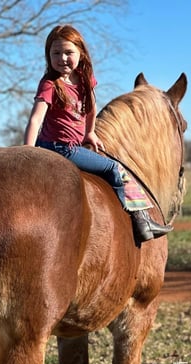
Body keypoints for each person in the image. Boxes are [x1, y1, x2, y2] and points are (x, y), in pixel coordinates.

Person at [24, 24, 172, 243]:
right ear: (48, 55)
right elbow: (36, 118)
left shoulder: (84, 80)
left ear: (81, 53)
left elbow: (91, 107)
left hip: (73, 145)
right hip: (60, 148)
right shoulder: (49, 84)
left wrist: (90, 132)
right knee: (113, 167)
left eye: (68, 52)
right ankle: (140, 220)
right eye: (55, 53)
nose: (62, 58)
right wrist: (27, 151)